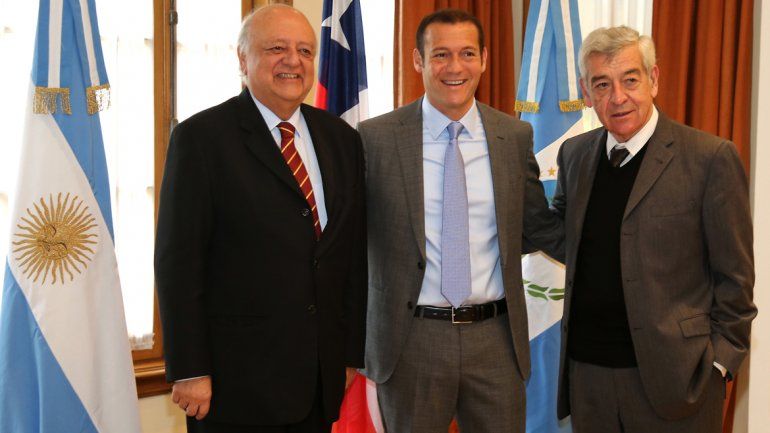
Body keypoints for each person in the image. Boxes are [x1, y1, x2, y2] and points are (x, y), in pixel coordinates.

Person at [154, 5, 367, 433]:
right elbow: (179, 263)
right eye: (276, 48)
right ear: (243, 58)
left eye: (305, 51)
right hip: (235, 384)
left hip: (319, 380)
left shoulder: (341, 139)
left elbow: (352, 256)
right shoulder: (201, 139)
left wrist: (348, 355)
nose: (293, 61)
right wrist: (190, 369)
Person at [358, 9, 563, 433]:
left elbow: (536, 227)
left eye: (467, 53)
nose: (455, 67)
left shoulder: (513, 137)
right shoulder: (375, 138)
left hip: (496, 340)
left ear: (484, 59)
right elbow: (351, 238)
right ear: (418, 60)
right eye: (441, 54)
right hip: (411, 340)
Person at [552, 26, 756, 432]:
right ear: (586, 92)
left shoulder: (709, 158)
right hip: (588, 380)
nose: (617, 97)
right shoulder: (574, 155)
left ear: (654, 80)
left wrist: (719, 365)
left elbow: (736, 279)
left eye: (630, 80)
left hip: (678, 383)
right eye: (602, 84)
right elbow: (558, 232)